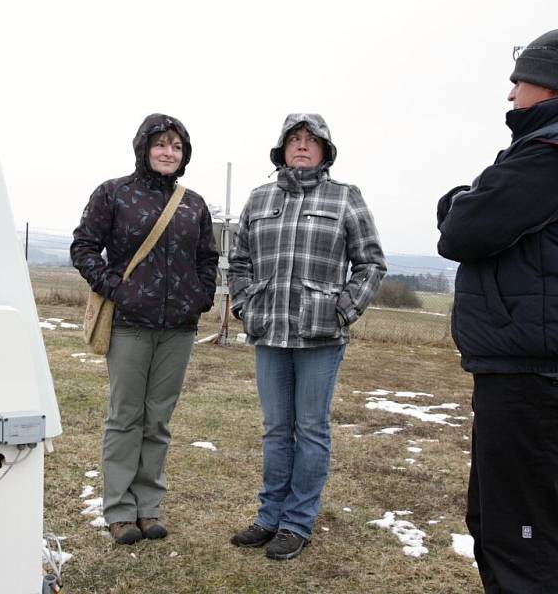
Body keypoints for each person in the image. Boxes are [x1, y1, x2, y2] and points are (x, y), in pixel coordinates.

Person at [437, 29, 558, 593]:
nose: (510, 91)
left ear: (547, 81)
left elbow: (465, 229)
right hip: (542, 361)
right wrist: (474, 201)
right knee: (504, 523)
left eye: (518, 79)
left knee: (521, 537)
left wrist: (459, 202)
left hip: (538, 372)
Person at [228, 113, 386, 560]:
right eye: (294, 139)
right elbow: (239, 261)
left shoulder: (345, 198)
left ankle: (297, 522)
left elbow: (371, 263)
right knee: (277, 430)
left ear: (324, 151)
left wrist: (343, 309)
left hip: (320, 336)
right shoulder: (260, 199)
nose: (302, 146)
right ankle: (269, 517)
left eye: (310, 140)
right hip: (270, 332)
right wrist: (244, 305)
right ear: (281, 147)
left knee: (310, 430)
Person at [71, 113, 219, 545]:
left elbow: (207, 258)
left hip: (179, 330)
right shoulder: (114, 193)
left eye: (177, 146)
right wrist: (115, 288)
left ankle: (149, 508)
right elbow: (83, 247)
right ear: (144, 147)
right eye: (161, 144)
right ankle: (119, 511)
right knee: (125, 418)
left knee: (158, 421)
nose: (168, 152)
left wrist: (201, 296)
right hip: (130, 326)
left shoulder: (193, 204)